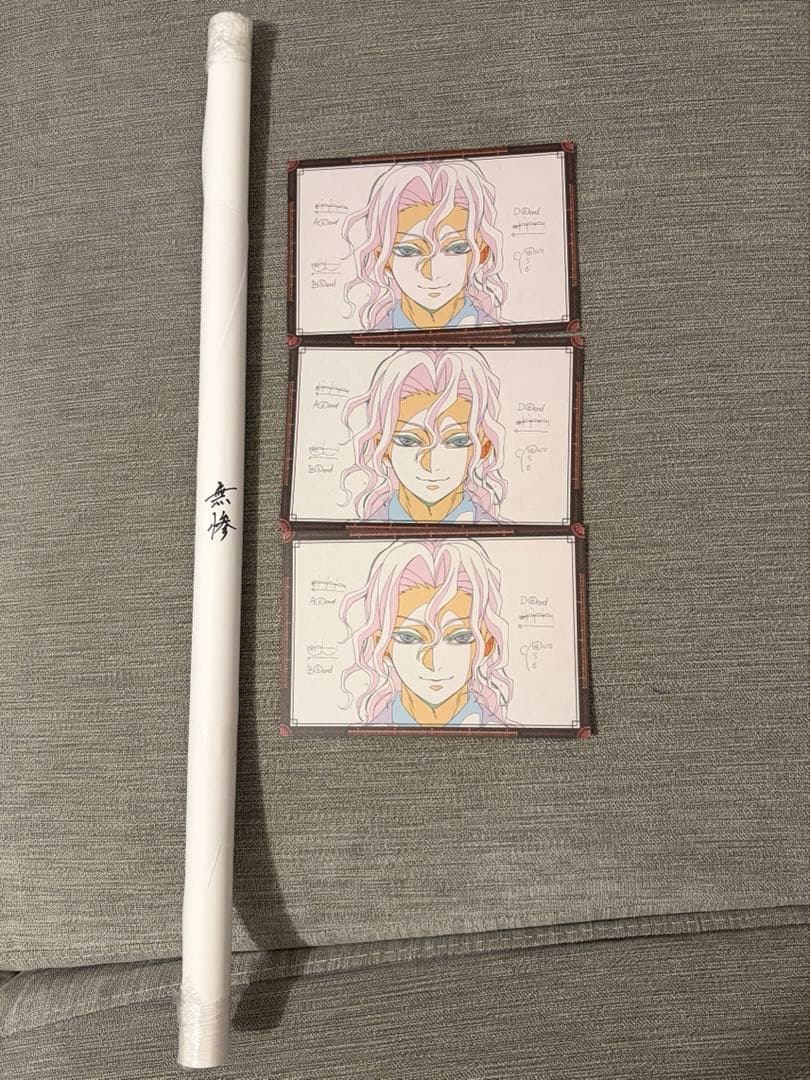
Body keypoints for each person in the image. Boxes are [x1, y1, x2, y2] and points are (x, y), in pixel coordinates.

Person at [339, 539, 516, 728]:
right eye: (409, 638)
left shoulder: (505, 734)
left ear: (488, 645)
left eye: (460, 638)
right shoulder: (368, 733)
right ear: (383, 646)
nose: (433, 663)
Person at [339, 347, 507, 523]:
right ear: (383, 447)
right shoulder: (366, 531)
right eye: (408, 441)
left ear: (484, 449)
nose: (431, 465)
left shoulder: (499, 532)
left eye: (457, 441)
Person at [341, 158, 507, 331]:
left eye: (456, 248)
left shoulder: (499, 336)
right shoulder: (371, 339)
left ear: (482, 253)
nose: (432, 273)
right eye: (408, 251)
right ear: (383, 258)